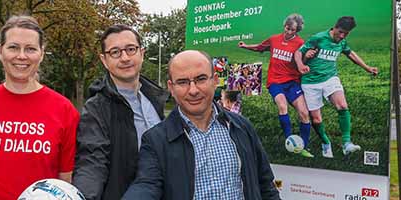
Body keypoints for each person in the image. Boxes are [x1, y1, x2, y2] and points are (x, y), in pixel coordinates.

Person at [123, 50, 279, 200]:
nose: (193, 90)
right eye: (183, 82)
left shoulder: (242, 127)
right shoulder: (155, 140)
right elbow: (146, 185)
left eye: (201, 79)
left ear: (215, 80)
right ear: (171, 87)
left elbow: (265, 184)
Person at [0, 16, 79, 199]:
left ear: (42, 53)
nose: (21, 56)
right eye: (13, 47)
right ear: (0, 51)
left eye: (30, 49)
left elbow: (65, 182)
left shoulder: (65, 111)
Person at [73, 24, 169, 200]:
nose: (125, 58)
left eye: (130, 49)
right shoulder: (96, 109)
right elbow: (92, 161)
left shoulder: (157, 99)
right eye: (115, 52)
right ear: (104, 60)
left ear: (142, 53)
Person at [294, 16, 378, 157]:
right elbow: (298, 53)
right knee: (316, 120)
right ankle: (326, 142)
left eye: (346, 33)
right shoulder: (318, 38)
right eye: (340, 32)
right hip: (310, 82)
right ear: (335, 27)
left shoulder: (342, 42)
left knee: (342, 106)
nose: (342, 36)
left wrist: (367, 68)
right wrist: (301, 64)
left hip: (330, 78)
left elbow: (350, 54)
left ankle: (346, 143)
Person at [238, 14, 316, 157]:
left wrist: (306, 59)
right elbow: (260, 47)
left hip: (292, 82)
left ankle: (303, 146)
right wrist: (245, 46)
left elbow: (303, 59)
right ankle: (289, 140)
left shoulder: (300, 43)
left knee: (304, 113)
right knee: (282, 105)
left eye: (293, 30)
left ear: (297, 30)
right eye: (288, 28)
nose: (289, 32)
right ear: (284, 26)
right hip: (275, 81)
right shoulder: (274, 39)